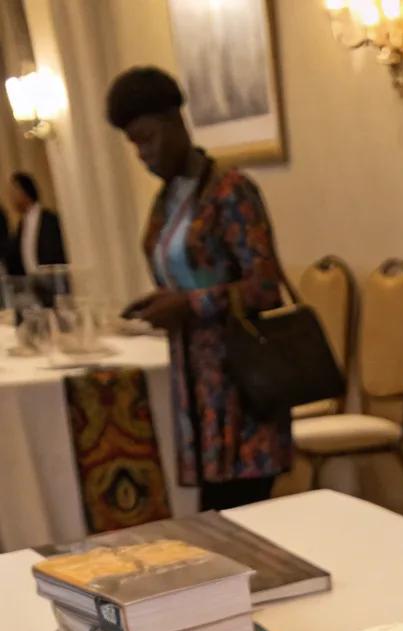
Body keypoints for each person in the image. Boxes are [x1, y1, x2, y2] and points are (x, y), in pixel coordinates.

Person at [105, 66, 291, 511]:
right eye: (133, 145)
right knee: (219, 522)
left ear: (175, 121)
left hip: (242, 386)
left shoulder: (230, 190)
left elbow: (265, 287)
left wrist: (188, 304)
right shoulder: (167, 201)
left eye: (147, 138)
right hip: (197, 393)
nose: (143, 154)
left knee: (245, 521)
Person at [6, 172, 66, 275]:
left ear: (23, 192)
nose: (11, 199)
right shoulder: (22, 225)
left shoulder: (49, 220)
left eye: (13, 193)